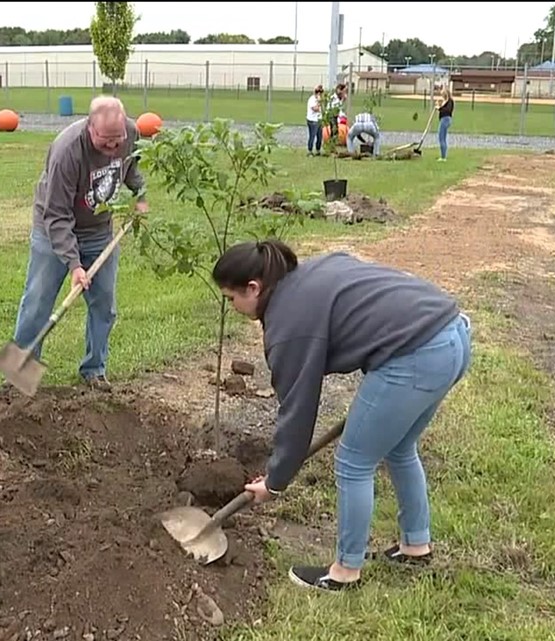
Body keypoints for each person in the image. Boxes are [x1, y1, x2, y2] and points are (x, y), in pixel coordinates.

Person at [211, 240, 472, 592]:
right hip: (452, 335)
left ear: (253, 288)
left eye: (231, 298)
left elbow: (297, 411)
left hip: (416, 355)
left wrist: (274, 482)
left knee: (353, 462)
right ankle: (415, 545)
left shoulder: (289, 325)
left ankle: (345, 572)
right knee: (398, 448)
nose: (232, 306)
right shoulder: (309, 274)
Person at [9, 95, 149, 391]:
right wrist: (74, 264)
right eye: (105, 141)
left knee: (104, 304)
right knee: (37, 302)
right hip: (53, 230)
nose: (113, 147)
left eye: (118, 140)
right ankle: (19, 377)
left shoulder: (132, 132)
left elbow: (131, 168)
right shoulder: (67, 151)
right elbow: (56, 215)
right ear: (90, 128)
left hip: (99, 231)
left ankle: (94, 369)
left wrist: (139, 195)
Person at [434, 85, 454, 161]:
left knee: (441, 138)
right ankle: (443, 156)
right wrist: (439, 106)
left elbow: (447, 110)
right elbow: (442, 108)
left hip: (445, 120)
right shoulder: (445, 101)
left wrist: (439, 108)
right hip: (443, 119)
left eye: (443, 94)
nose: (442, 96)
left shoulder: (450, 101)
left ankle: (443, 157)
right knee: (442, 138)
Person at [305, 85, 324, 156]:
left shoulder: (320, 99)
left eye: (321, 92)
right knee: (312, 136)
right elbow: (315, 109)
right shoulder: (312, 99)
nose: (319, 94)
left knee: (320, 137)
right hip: (312, 121)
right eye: (318, 92)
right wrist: (319, 102)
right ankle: (310, 151)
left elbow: (322, 110)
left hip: (319, 120)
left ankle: (318, 150)